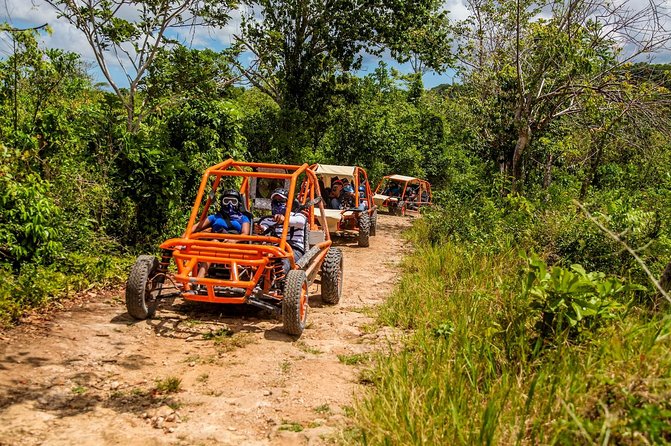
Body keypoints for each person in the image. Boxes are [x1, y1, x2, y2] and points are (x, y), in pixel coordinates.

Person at [191, 189, 251, 279]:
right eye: (226, 201)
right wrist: (182, 239)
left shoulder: (243, 218)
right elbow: (197, 227)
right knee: (213, 243)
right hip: (217, 241)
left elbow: (245, 234)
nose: (229, 204)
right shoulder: (215, 217)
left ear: (238, 203)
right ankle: (199, 279)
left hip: (234, 243)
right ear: (222, 202)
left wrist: (234, 240)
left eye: (233, 201)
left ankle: (234, 281)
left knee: (231, 249)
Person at [255, 188, 308, 271]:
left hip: (293, 249)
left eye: (281, 200)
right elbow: (264, 227)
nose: (278, 202)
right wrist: (260, 229)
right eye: (275, 200)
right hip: (273, 249)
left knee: (282, 262)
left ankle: (280, 280)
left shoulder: (298, 216)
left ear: (288, 202)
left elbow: (300, 222)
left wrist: (285, 219)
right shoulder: (267, 219)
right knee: (256, 259)